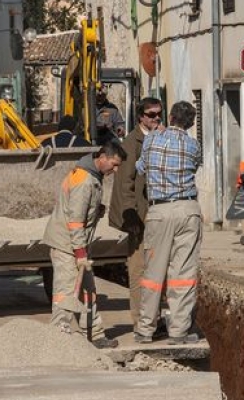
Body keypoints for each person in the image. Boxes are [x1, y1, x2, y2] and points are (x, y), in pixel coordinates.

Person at [42, 139, 127, 349]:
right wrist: (80, 252)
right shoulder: (84, 181)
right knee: (66, 291)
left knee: (88, 291)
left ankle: (95, 335)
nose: (115, 170)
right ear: (103, 157)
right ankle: (58, 337)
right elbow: (75, 221)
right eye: (114, 164)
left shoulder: (92, 177)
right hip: (67, 245)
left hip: (76, 245)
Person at [134, 101, 203, 345]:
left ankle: (145, 329)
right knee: (182, 273)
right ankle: (179, 331)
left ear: (170, 117)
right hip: (187, 210)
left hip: (159, 210)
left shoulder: (152, 140)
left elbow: (140, 168)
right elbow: (194, 166)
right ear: (191, 123)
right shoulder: (194, 146)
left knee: (153, 273)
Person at [108, 97, 164, 328]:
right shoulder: (132, 144)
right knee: (139, 269)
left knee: (156, 270)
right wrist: (130, 215)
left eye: (159, 114)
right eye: (151, 115)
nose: (156, 118)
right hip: (139, 217)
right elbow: (125, 183)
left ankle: (154, 317)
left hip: (157, 214)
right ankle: (140, 319)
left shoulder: (160, 138)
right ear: (141, 116)